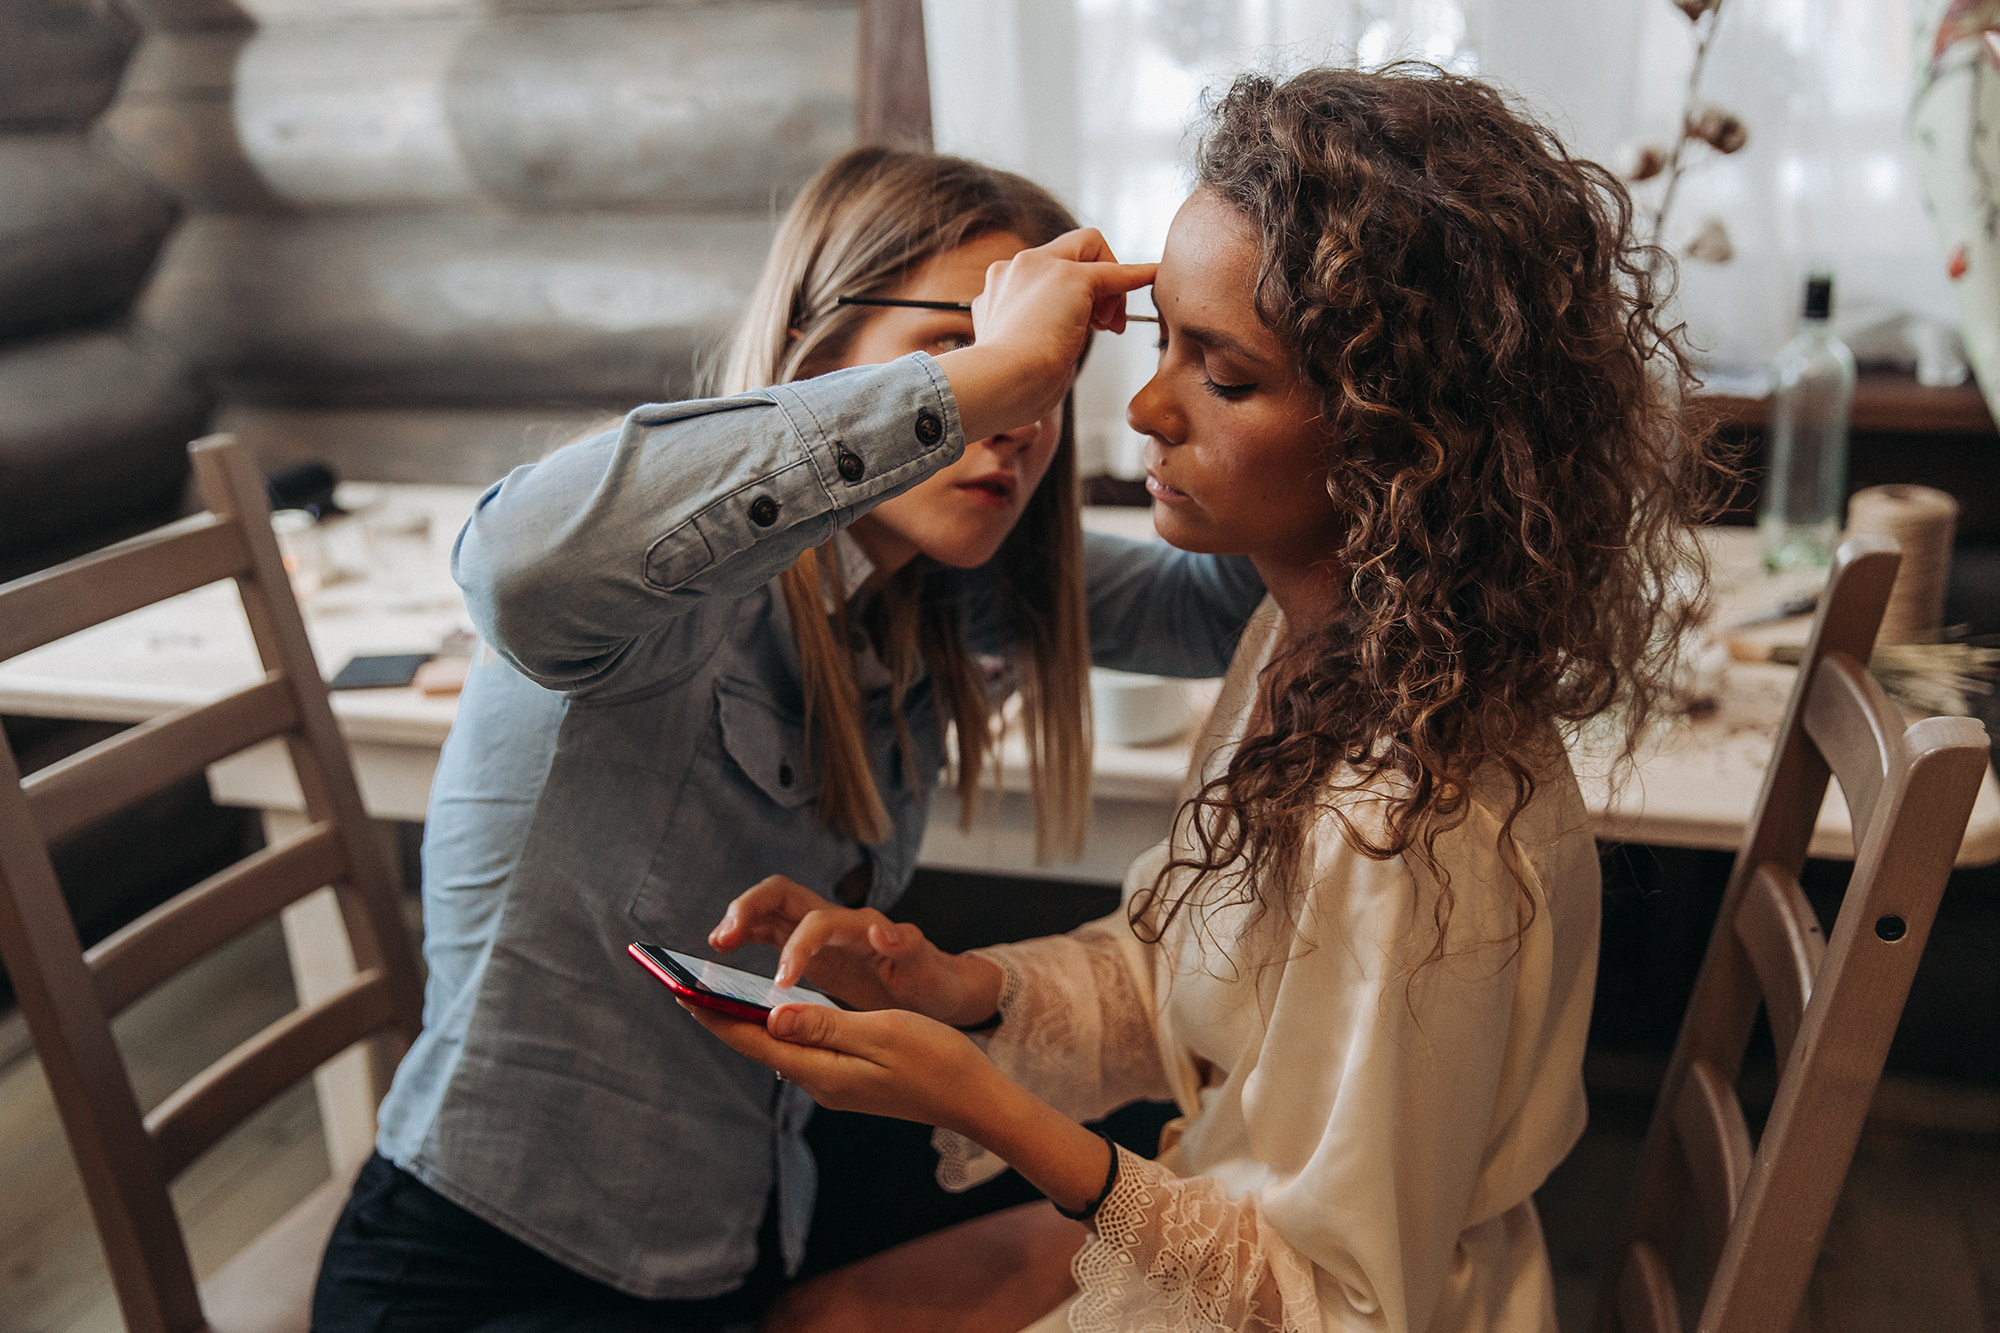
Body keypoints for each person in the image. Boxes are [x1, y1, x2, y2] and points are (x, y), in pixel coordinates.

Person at [692, 66, 1730, 1333]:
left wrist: (984, 1101)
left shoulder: (1411, 823)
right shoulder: (1302, 646)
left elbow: (1342, 1299)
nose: (1139, 406)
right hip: (1218, 1217)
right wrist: (956, 986)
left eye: (1222, 377)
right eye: (1159, 342)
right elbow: (1175, 968)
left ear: (1399, 439)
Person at [310, 147, 1267, 1332]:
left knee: (1178, 1162)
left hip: (751, 1221)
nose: (1020, 417)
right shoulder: (667, 600)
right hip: (493, 1272)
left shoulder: (936, 590)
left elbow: (1258, 584)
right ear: (819, 355)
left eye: (1047, 373)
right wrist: (989, 371)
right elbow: (512, 563)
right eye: (959, 348)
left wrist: (1267, 363)